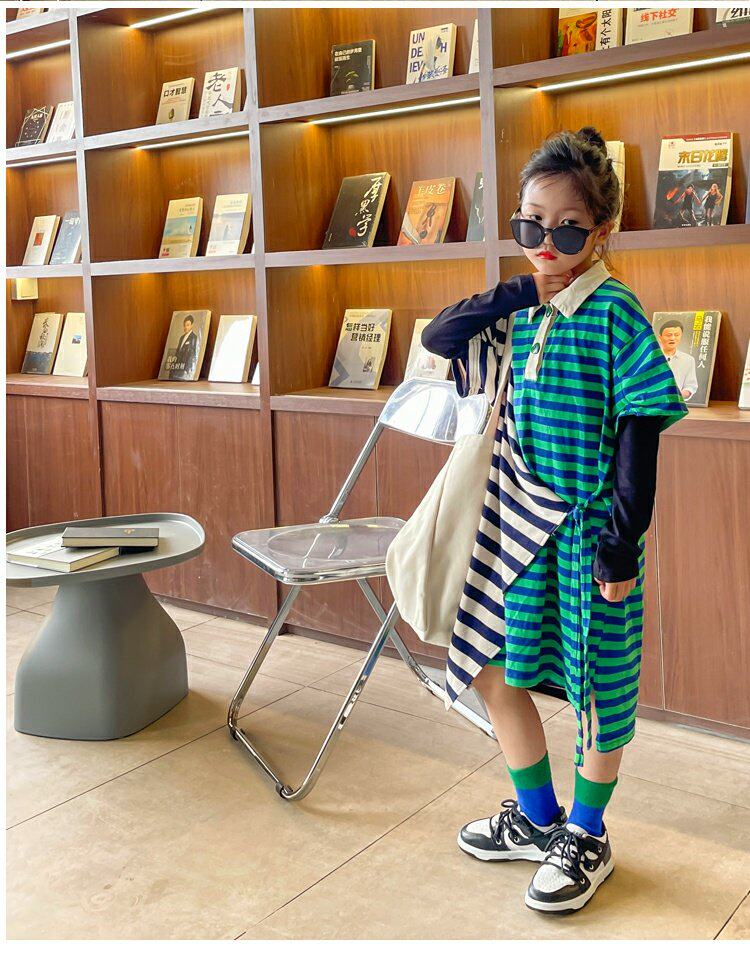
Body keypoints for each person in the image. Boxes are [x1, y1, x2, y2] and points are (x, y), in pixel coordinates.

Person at [421, 127, 689, 914]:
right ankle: (539, 818)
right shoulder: (525, 310)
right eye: (530, 224)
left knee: (599, 688)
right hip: (516, 528)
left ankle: (587, 833)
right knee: (492, 665)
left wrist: (621, 544)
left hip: (589, 537)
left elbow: (641, 431)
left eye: (567, 230)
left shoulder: (615, 313)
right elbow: (441, 336)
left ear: (601, 231)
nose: (546, 242)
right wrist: (518, 290)